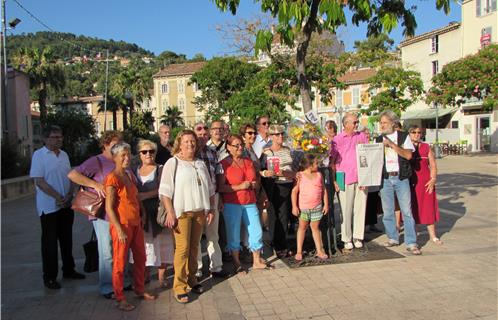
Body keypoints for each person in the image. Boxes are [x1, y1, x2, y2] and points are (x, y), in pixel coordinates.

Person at [159, 130, 215, 304]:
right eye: (186, 141)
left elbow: (210, 189)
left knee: (194, 248)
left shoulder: (200, 163)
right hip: (181, 212)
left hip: (199, 211)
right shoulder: (173, 163)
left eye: (192, 141)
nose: (190, 144)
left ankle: (192, 280)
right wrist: (170, 211)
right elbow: (165, 191)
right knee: (182, 250)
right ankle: (179, 286)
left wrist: (211, 208)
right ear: (179, 144)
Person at [68, 130, 125, 299]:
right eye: (114, 144)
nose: (117, 147)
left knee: (120, 249)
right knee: (106, 251)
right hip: (102, 214)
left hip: (120, 212)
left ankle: (121, 282)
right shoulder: (96, 161)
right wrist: (96, 185)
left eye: (119, 144)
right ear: (105, 145)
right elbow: (72, 174)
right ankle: (107, 286)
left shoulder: (120, 160)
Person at [30, 125, 85, 290]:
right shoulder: (39, 156)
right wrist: (57, 197)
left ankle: (69, 269)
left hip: (66, 204)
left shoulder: (64, 155)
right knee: (49, 243)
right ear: (45, 139)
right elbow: (39, 181)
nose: (58, 139)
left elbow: (70, 176)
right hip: (49, 207)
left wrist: (69, 195)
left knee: (67, 239)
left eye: (60, 137)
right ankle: (50, 277)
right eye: (54, 137)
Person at [104, 142, 157, 311]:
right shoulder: (112, 178)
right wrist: (118, 229)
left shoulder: (129, 175)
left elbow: (135, 197)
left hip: (135, 223)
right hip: (123, 225)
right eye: (123, 156)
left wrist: (143, 213)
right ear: (115, 158)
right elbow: (109, 208)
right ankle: (120, 298)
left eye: (128, 155)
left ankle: (139, 289)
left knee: (141, 258)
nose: (127, 159)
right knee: (119, 263)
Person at [217, 134, 272, 272]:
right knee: (233, 233)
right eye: (236, 145)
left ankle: (256, 260)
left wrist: (256, 187)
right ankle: (236, 262)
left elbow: (256, 180)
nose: (240, 147)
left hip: (250, 201)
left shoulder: (248, 161)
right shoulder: (224, 164)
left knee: (257, 231)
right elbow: (220, 187)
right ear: (228, 147)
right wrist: (240, 186)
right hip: (232, 202)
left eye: (241, 144)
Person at [376, 110, 421, 255]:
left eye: (384, 123)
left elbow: (408, 155)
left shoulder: (403, 136)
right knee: (388, 211)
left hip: (401, 178)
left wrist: (392, 145)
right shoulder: (378, 139)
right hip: (385, 178)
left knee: (406, 211)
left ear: (393, 123)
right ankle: (392, 238)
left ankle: (411, 242)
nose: (382, 125)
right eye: (381, 123)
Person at [133, 139, 174, 287]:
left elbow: (164, 189)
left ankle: (162, 277)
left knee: (162, 245)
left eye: (151, 151)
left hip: (157, 211)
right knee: (144, 245)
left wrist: (145, 195)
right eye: (144, 152)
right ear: (139, 154)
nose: (148, 154)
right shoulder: (133, 170)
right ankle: (145, 276)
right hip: (140, 213)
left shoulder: (161, 169)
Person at [194, 122, 228, 279]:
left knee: (213, 235)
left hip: (213, 197)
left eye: (204, 132)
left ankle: (216, 266)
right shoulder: (189, 154)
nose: (202, 135)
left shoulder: (213, 153)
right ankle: (197, 269)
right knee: (195, 236)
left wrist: (219, 198)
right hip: (196, 200)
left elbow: (217, 176)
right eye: (198, 132)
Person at [260, 124, 298, 258]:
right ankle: (276, 246)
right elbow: (263, 170)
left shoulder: (288, 149)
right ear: (271, 137)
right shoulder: (267, 152)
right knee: (275, 217)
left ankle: (282, 243)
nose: (280, 136)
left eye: (282, 134)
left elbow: (293, 166)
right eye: (277, 135)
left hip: (289, 185)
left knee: (285, 216)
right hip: (276, 185)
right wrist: (269, 173)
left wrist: (293, 174)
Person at [333, 114, 369, 250]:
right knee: (345, 209)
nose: (356, 124)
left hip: (360, 177)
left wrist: (366, 178)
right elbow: (332, 161)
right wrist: (335, 179)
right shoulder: (337, 139)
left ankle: (358, 236)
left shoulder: (362, 137)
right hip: (343, 176)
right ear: (345, 124)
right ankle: (347, 238)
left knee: (360, 208)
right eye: (354, 122)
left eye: (357, 122)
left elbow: (367, 157)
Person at [408, 125, 442, 245]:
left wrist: (433, 179)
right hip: (411, 182)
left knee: (428, 208)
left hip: (425, 182)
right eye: (413, 132)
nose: (416, 134)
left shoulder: (426, 147)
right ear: (409, 134)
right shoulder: (406, 147)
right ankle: (414, 234)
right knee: (413, 208)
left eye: (419, 132)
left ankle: (433, 236)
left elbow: (432, 165)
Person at [291, 154, 329, 261]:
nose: (318, 165)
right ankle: (299, 251)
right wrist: (294, 206)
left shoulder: (319, 175)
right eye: (316, 163)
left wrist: (326, 204)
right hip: (304, 207)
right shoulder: (300, 176)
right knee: (302, 228)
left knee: (315, 228)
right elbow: (294, 191)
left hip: (317, 206)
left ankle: (319, 250)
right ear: (309, 165)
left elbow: (324, 190)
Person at [361, 127, 382, 233]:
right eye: (365, 133)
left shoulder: (373, 144)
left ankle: (372, 223)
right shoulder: (360, 145)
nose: (367, 135)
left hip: (373, 176)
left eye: (368, 133)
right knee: (365, 202)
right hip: (364, 177)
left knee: (373, 200)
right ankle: (364, 225)